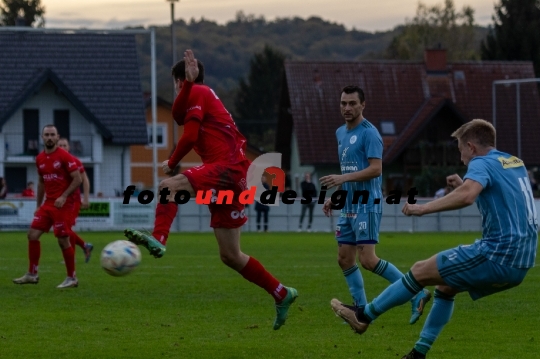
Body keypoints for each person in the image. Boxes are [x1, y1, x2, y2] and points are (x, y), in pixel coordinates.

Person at [331, 119, 538, 359]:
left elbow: (468, 196)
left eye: (460, 150)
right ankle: (418, 354)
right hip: (522, 260)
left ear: (471, 146)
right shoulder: (514, 162)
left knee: (419, 270)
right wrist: (465, 185)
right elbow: (497, 203)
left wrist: (423, 209)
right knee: (446, 286)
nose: (461, 159)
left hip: (498, 254)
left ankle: (363, 316)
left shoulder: (480, 162)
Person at [123, 50, 298, 330]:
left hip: (227, 167)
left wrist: (171, 161)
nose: (176, 89)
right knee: (230, 255)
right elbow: (181, 116)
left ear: (179, 81)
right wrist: (189, 85)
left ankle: (159, 237)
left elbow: (190, 137)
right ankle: (281, 293)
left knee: (168, 186)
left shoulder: (199, 92)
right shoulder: (198, 94)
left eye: (175, 83)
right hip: (237, 172)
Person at [320, 85, 430, 325]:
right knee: (344, 258)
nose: (347, 108)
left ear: (363, 105)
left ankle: (417, 293)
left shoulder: (370, 133)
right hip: (348, 204)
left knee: (368, 260)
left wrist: (342, 179)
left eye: (352, 103)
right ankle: (359, 310)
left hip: (367, 205)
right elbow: (349, 170)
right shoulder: (340, 133)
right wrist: (336, 195)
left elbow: (375, 169)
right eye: (343, 103)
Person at [13, 125, 82, 288]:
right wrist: (38, 205)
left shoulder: (64, 156)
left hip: (63, 204)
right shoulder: (39, 159)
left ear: (58, 138)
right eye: (47, 135)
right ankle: (32, 274)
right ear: (42, 137)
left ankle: (72, 278)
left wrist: (64, 196)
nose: (49, 137)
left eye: (52, 135)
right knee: (32, 235)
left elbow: (77, 178)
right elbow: (41, 182)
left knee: (63, 240)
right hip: (48, 204)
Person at [58, 138, 94, 263]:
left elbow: (85, 180)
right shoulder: (54, 163)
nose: (62, 147)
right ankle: (85, 246)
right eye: (60, 145)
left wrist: (86, 198)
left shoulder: (75, 161)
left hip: (73, 201)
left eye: (64, 145)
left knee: (65, 229)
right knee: (63, 229)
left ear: (68, 147)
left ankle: (71, 256)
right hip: (60, 202)